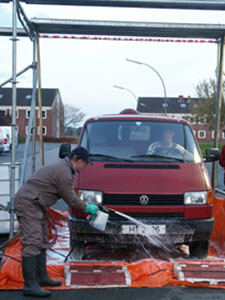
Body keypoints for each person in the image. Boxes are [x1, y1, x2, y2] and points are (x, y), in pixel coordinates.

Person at [14, 146, 99, 297]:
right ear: (79, 161)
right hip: (29, 203)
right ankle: (30, 285)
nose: (85, 168)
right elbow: (70, 199)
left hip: (37, 204)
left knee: (42, 239)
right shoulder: (64, 172)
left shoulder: (64, 168)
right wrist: (87, 207)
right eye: (86, 164)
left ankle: (41, 277)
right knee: (33, 241)